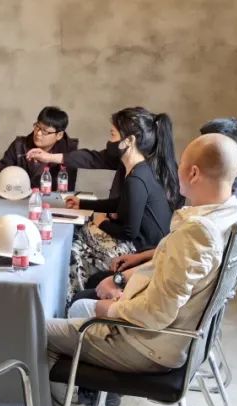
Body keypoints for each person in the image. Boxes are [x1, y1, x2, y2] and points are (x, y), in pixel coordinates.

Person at [46, 133, 237, 406]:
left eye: (181, 165)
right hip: (174, 335)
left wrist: (111, 307)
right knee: (81, 305)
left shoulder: (198, 232)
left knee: (36, 333)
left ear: (193, 172)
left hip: (151, 344)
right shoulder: (228, 215)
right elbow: (170, 278)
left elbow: (156, 313)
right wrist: (123, 285)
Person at [78, 116, 237, 300]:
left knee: (84, 282)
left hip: (171, 294)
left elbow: (177, 282)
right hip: (168, 272)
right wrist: (142, 259)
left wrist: (120, 283)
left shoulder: (222, 211)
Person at [65, 108, 181, 295]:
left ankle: (74, 299)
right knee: (81, 233)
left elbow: (129, 232)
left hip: (141, 251)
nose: (109, 142)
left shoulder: (136, 179)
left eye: (113, 135)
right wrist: (83, 204)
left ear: (130, 141)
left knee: (74, 248)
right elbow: (121, 203)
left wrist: (102, 222)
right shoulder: (141, 169)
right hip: (146, 245)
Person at [0, 106, 79, 191]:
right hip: (19, 197)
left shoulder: (68, 152)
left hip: (53, 199)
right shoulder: (19, 145)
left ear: (59, 135)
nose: (38, 133)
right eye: (37, 126)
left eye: (45, 131)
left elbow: (68, 187)